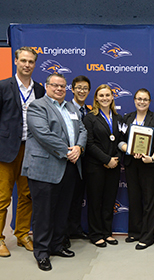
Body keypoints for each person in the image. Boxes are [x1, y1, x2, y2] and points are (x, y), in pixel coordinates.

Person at [21, 73, 87, 271]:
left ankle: (57, 245)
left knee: (62, 210)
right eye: (55, 86)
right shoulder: (37, 106)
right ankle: (42, 252)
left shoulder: (70, 107)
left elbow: (82, 130)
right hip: (45, 168)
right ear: (47, 86)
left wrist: (79, 148)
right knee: (44, 213)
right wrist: (68, 151)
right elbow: (43, 135)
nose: (59, 89)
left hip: (69, 167)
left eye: (62, 86)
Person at [0, 46, 45, 257]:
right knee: (2, 198)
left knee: (27, 195)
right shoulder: (3, 87)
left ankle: (22, 234)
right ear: (15, 62)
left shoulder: (39, 90)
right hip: (6, 150)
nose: (27, 65)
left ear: (35, 65)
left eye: (31, 62)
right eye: (23, 61)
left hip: (32, 149)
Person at [119, 88, 154, 250]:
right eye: (139, 99)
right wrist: (129, 149)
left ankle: (147, 236)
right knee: (134, 198)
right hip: (132, 164)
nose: (142, 102)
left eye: (145, 99)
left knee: (148, 201)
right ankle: (135, 232)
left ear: (150, 102)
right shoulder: (127, 118)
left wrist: (152, 157)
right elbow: (120, 141)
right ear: (134, 100)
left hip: (149, 165)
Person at [83, 84, 123, 248]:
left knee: (108, 201)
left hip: (113, 166)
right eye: (101, 96)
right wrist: (106, 159)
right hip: (95, 167)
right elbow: (89, 144)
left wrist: (116, 159)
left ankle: (107, 233)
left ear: (112, 97)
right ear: (96, 99)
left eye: (108, 95)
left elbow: (122, 141)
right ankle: (95, 234)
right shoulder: (90, 118)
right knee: (95, 201)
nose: (105, 98)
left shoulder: (118, 118)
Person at [65, 75, 92, 246]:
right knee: (66, 198)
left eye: (85, 88)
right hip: (69, 160)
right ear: (72, 89)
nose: (82, 91)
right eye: (79, 88)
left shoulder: (89, 111)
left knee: (77, 198)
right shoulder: (65, 108)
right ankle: (63, 233)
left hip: (85, 162)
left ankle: (75, 229)